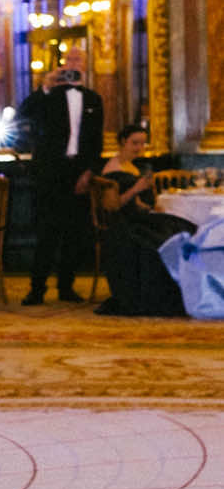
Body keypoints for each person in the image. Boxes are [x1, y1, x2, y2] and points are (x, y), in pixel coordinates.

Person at [17, 44, 104, 305]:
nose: (74, 64)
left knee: (74, 233)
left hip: (78, 171)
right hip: (50, 172)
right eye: (70, 59)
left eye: (79, 59)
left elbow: (96, 140)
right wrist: (46, 85)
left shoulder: (93, 99)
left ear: (86, 65)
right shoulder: (50, 95)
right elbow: (24, 112)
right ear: (63, 63)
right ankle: (37, 288)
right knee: (47, 232)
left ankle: (67, 286)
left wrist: (89, 172)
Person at [95, 122, 190, 316]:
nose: (139, 148)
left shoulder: (131, 165)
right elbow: (113, 206)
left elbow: (136, 203)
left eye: (142, 143)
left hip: (138, 219)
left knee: (181, 229)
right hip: (123, 225)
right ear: (123, 142)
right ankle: (155, 299)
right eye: (135, 143)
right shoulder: (112, 169)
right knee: (160, 242)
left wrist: (146, 206)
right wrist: (136, 189)